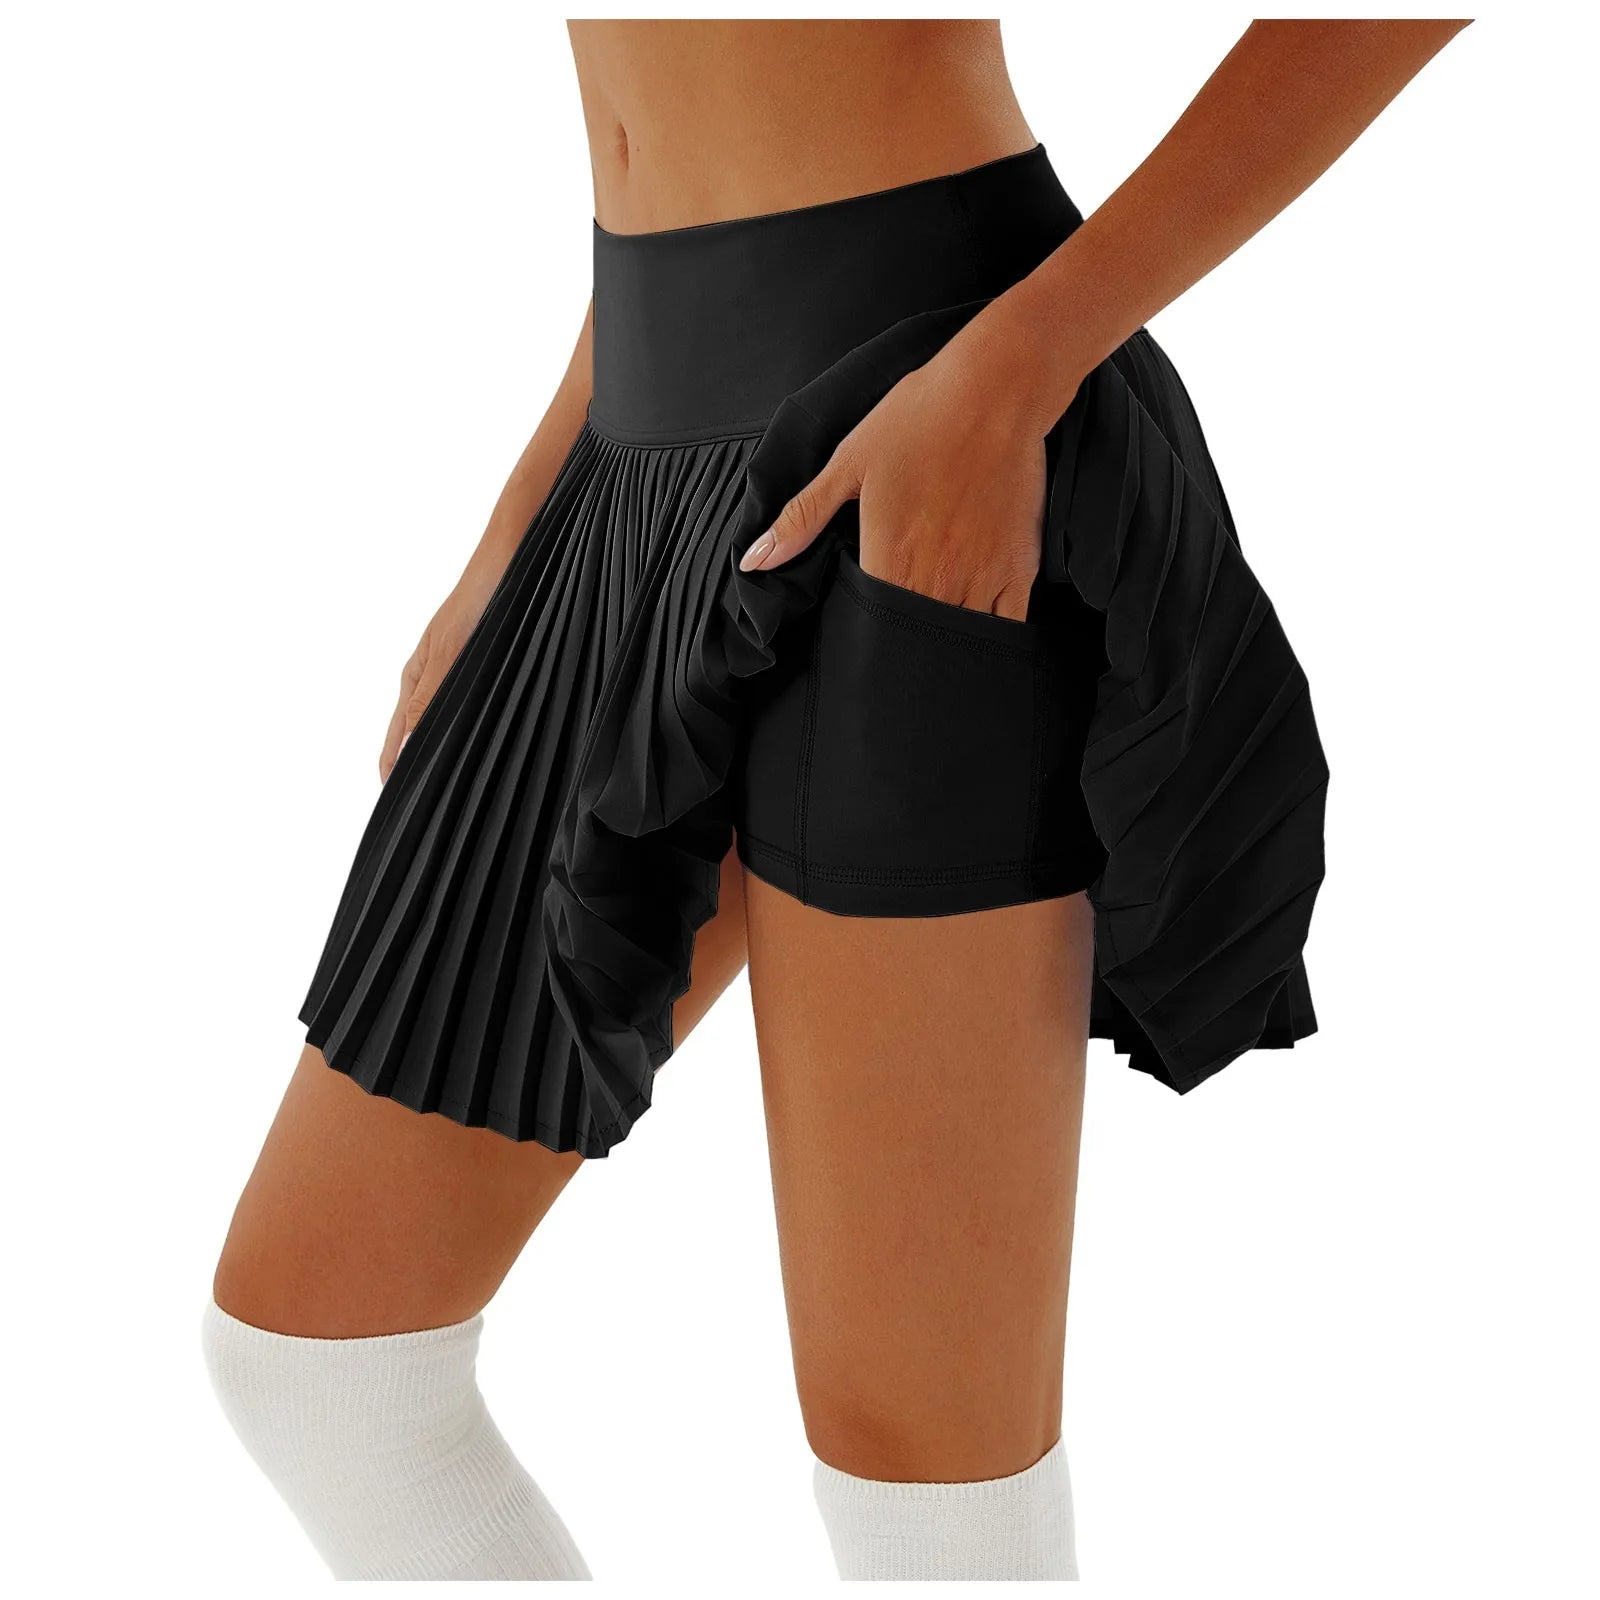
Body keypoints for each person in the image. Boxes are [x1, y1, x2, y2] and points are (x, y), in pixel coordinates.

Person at [202, 18, 1468, 1581]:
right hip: (632, 462)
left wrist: (1015, 367)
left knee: (927, 1495)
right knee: (321, 1358)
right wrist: (517, 524)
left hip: (922, 431)